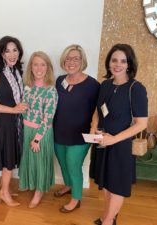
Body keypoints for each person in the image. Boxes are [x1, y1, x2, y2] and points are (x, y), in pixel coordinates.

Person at [90, 44, 148, 225]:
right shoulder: (105, 85)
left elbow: (141, 124)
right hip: (102, 142)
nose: (118, 64)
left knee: (116, 188)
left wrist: (113, 139)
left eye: (123, 61)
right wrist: (94, 126)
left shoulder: (136, 88)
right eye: (114, 60)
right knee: (106, 185)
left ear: (129, 64)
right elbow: (98, 110)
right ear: (109, 63)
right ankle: (109, 216)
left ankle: (108, 221)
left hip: (120, 146)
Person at [53, 44, 100, 213]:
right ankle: (68, 185)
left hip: (81, 135)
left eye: (76, 58)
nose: (71, 62)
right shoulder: (59, 80)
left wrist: (94, 127)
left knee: (73, 164)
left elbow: (99, 109)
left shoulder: (93, 84)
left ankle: (76, 198)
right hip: (59, 132)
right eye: (68, 58)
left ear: (82, 61)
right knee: (63, 162)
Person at [0, 36, 27, 206]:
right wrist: (14, 110)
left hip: (16, 122)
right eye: (7, 50)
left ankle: (5, 188)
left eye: (15, 50)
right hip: (5, 122)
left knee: (12, 158)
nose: (12, 54)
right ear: (1, 53)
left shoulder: (16, 71)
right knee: (8, 161)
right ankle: (4, 193)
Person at [19, 51, 58, 208]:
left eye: (43, 64)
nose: (39, 68)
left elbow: (48, 118)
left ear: (48, 68)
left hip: (40, 133)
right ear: (31, 67)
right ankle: (30, 183)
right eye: (35, 64)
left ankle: (39, 191)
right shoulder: (26, 86)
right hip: (26, 130)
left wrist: (37, 138)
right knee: (29, 160)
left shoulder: (51, 91)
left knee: (40, 162)